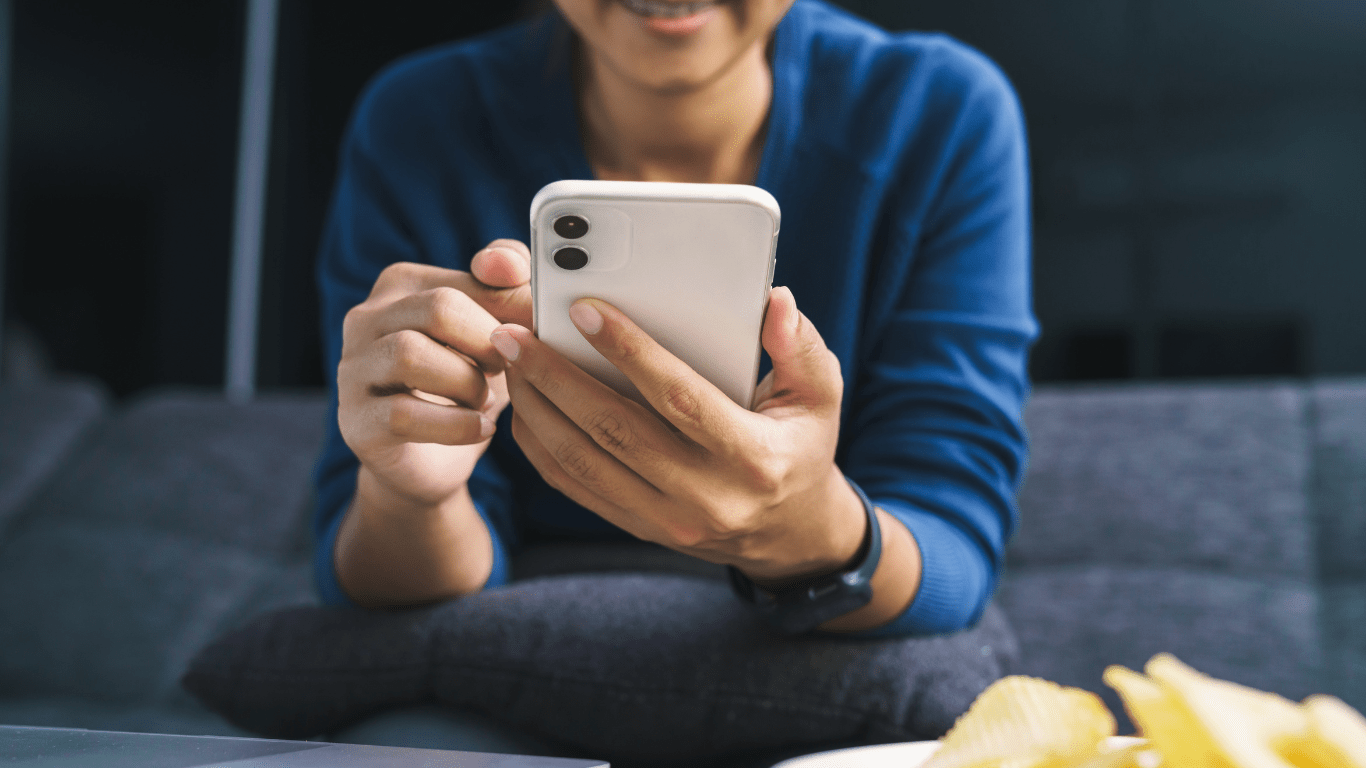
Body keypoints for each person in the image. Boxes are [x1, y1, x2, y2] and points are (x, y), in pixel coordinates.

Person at [312, 0, 1035, 754]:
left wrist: (804, 528)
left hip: (826, 626)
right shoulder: (421, 119)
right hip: (502, 654)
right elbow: (366, 566)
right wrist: (412, 493)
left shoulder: (936, 113)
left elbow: (951, 531)